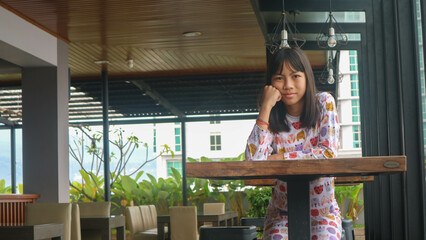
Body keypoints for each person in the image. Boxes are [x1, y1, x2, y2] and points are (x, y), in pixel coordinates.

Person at [245, 47, 342, 240]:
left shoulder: (324, 103)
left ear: (307, 77)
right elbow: (253, 162)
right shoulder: (271, 115)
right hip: (282, 213)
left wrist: (280, 158)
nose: (288, 85)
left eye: (295, 76)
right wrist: (266, 107)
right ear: (271, 83)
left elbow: (328, 153)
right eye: (279, 78)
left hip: (323, 213)